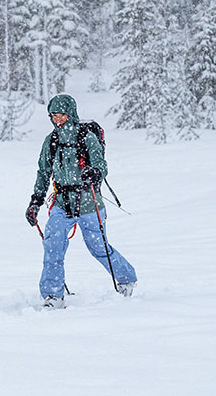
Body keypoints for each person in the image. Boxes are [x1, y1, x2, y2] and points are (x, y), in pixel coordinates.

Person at [25, 93, 136, 308]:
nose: (57, 120)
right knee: (53, 246)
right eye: (53, 116)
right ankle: (52, 296)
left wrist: (94, 172)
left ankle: (126, 279)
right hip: (61, 203)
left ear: (70, 114)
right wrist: (35, 202)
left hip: (88, 203)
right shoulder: (51, 141)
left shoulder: (87, 137)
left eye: (61, 115)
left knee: (98, 248)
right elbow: (43, 173)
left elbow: (102, 166)